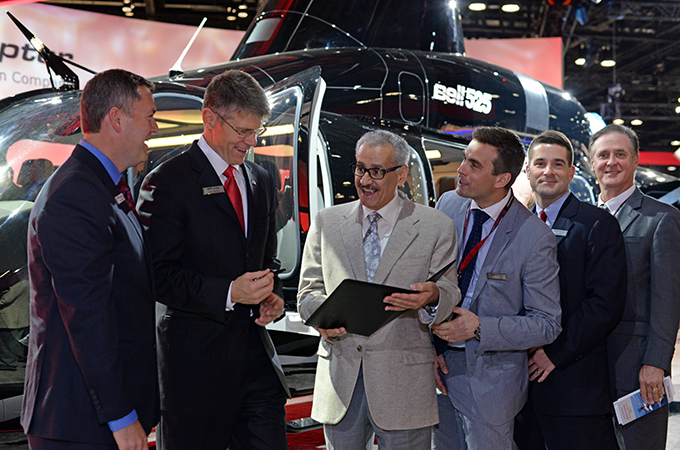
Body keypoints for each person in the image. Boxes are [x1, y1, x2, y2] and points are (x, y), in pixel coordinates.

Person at [137, 70, 289, 450]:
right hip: (194, 370)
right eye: (243, 131)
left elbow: (266, 259)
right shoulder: (167, 180)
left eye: (257, 131)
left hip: (256, 364)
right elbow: (156, 274)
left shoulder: (260, 180)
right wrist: (229, 293)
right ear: (210, 118)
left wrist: (272, 294)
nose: (252, 142)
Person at [21, 69, 159, 449]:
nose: (155, 128)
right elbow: (88, 317)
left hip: (91, 419)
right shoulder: (77, 194)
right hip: (80, 423)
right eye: (149, 116)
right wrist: (121, 417)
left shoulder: (98, 185)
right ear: (117, 119)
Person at [297, 129, 460, 450]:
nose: (364, 180)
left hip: (403, 384)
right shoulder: (327, 222)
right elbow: (308, 292)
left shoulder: (435, 226)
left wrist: (432, 297)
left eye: (376, 171)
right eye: (360, 168)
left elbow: (449, 291)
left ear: (401, 174)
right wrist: (321, 317)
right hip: (340, 378)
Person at [432, 126, 562, 450]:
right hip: (438, 367)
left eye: (474, 165)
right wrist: (430, 347)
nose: (461, 170)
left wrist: (479, 329)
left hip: (490, 382)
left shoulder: (534, 237)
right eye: (465, 159)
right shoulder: (448, 204)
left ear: (502, 178)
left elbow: (547, 324)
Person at [514, 130, 626, 450]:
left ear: (572, 172)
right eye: (540, 163)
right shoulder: (515, 225)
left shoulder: (597, 224)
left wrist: (553, 353)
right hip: (520, 390)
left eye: (558, 164)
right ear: (527, 171)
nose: (548, 171)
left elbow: (604, 304)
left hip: (574, 386)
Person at [589, 124, 680, 450]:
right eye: (603, 155)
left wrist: (656, 363)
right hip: (587, 365)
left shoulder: (662, 218)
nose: (611, 162)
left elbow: (667, 299)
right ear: (591, 163)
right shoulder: (583, 218)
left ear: (636, 160)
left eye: (620, 154)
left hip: (638, 366)